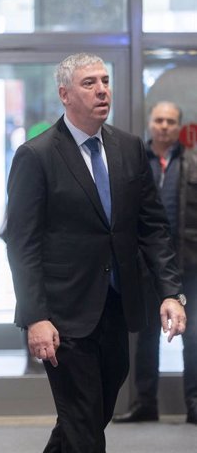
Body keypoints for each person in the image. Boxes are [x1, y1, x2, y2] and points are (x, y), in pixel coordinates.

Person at [4, 53, 187, 451]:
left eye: (105, 81)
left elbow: (152, 228)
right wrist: (36, 317)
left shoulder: (129, 147)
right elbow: (22, 242)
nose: (103, 90)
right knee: (84, 424)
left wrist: (171, 293)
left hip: (116, 308)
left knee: (87, 417)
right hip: (63, 316)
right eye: (89, 83)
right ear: (64, 95)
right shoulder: (37, 155)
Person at [113, 101, 197, 425]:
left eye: (171, 121)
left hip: (189, 263)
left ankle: (193, 402)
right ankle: (145, 403)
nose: (164, 126)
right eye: (159, 120)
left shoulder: (192, 161)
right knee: (146, 335)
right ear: (150, 124)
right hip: (144, 265)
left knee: (193, 335)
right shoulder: (134, 161)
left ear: (180, 127)